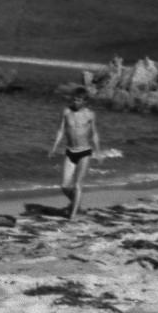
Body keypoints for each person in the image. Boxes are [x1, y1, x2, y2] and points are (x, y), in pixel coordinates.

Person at [48, 87, 102, 220]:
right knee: (64, 185)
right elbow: (61, 130)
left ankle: (73, 215)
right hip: (70, 151)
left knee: (78, 184)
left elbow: (94, 133)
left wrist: (98, 151)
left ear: (84, 101)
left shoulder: (90, 114)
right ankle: (77, 205)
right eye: (74, 99)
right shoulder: (66, 111)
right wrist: (54, 147)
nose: (75, 102)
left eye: (79, 100)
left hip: (84, 151)